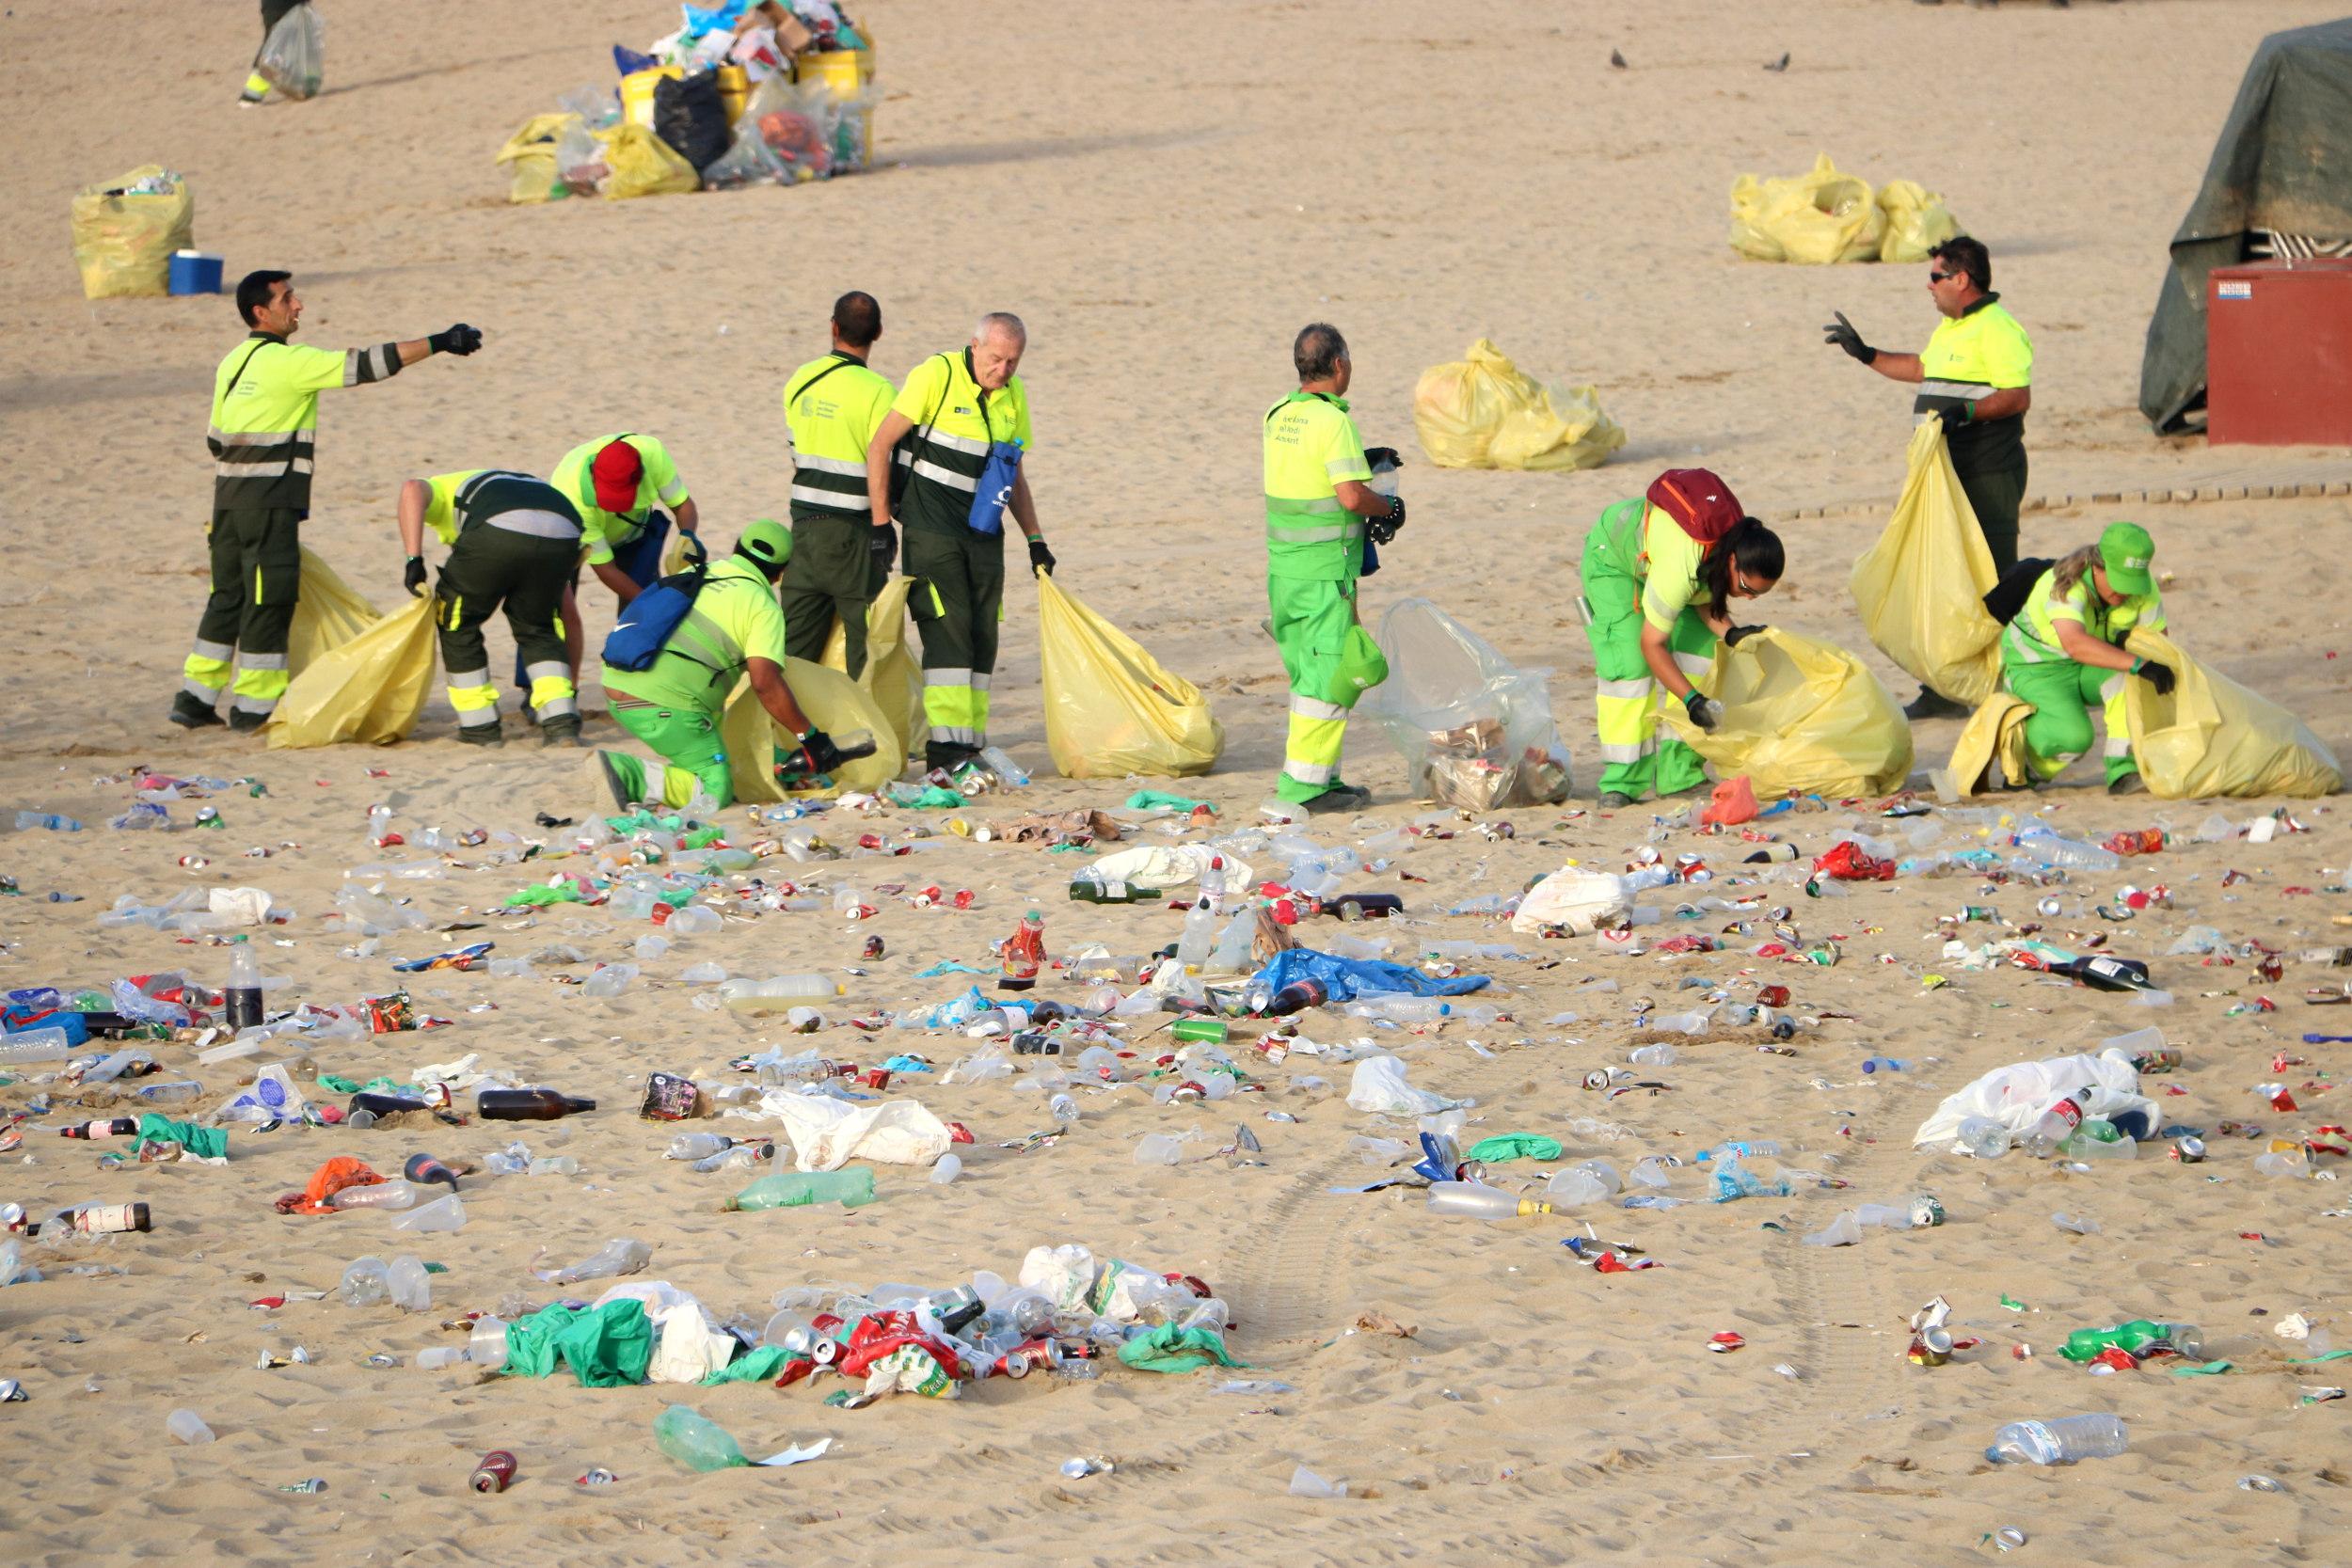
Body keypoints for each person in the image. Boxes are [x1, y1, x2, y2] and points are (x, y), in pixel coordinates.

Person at [173, 269, 479, 732]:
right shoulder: (288, 363)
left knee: (227, 595)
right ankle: (255, 707)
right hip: (268, 501)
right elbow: (367, 365)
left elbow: (215, 440)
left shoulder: (232, 361)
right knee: (267, 598)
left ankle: (195, 698)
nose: (298, 306)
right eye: (287, 299)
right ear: (262, 312)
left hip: (228, 501)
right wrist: (440, 341)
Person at [1822, 235, 2033, 719]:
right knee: (1942, 575)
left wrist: (1969, 411)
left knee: (1994, 576)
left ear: (1962, 279)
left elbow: (2016, 395)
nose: (1929, 286)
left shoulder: (1999, 329)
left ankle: (2011, 681)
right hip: (1942, 476)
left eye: (1936, 276)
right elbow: (1923, 370)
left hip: (1986, 473)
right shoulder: (1951, 329)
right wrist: (1867, 354)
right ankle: (1943, 688)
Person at [864, 311, 1053, 772]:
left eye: (1012, 362)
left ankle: (971, 743)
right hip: (931, 531)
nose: (1003, 370)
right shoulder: (937, 376)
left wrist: (1035, 539)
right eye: (995, 359)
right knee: (949, 635)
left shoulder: (1014, 394)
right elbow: (879, 445)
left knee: (983, 636)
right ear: (974, 346)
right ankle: (945, 752)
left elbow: (1014, 473)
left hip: (984, 533)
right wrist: (881, 523)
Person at [587, 519, 852, 810]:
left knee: (718, 733)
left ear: (736, 548)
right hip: (664, 706)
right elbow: (766, 683)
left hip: (617, 682)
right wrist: (810, 738)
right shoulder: (762, 607)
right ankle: (628, 773)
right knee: (715, 792)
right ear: (781, 573)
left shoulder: (698, 573)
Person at [1263, 323, 1406, 814]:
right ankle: (1304, 787)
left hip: (1285, 570)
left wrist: (1358, 464)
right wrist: (1387, 508)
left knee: (1309, 669)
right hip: (1326, 571)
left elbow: (1309, 474)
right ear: (1340, 365)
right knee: (1327, 678)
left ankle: (1325, 777)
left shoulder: (1278, 414)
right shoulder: (1334, 422)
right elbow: (1349, 495)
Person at [1580, 470, 1784, 808]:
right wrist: (1692, 701)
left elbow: (1705, 595)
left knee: (1704, 654)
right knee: (1630, 664)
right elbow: (1652, 645)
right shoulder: (1682, 568)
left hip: (1670, 564)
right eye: (1747, 589)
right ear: (1733, 562)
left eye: (1759, 596)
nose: (1749, 599)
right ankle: (1622, 781)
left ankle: (1679, 775)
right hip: (1616, 561)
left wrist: (1730, 632)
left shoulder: (1730, 543)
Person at [396, 468, 628, 747]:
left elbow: (411, 488)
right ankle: (561, 724)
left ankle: (479, 728)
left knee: (457, 621)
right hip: (564, 528)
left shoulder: (443, 489)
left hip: (499, 530)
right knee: (539, 628)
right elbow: (566, 610)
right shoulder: (515, 487)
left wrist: (414, 558)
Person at [1991, 522, 2170, 795]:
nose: (2127, 593)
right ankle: (2026, 764)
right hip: (2037, 669)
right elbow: (2075, 643)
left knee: (2131, 680)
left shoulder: (2142, 589)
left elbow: (2159, 644)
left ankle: (2123, 770)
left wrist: (2143, 654)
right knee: (2075, 738)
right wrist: (2138, 662)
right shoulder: (2063, 582)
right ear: (2098, 567)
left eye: (2133, 583)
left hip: (2088, 666)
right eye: (2121, 582)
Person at [779, 291, 896, 677]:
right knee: (866, 647)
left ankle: (789, 733)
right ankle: (867, 729)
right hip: (855, 533)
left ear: (833, 327)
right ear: (878, 332)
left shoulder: (800, 379)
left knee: (795, 650)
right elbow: (881, 465)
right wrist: (883, 529)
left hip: (804, 529)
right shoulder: (880, 391)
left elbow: (796, 451)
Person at [539, 433, 702, 705]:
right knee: (556, 612)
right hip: (566, 536)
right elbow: (606, 570)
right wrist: (654, 602)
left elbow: (684, 506)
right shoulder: (572, 494)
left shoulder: (653, 454)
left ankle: (637, 685)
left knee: (639, 616)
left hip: (633, 532)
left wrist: (687, 539)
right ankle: (558, 698)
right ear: (593, 479)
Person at [239, 1, 304, 106]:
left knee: (277, 43)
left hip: (272, 7)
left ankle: (294, 84)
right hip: (284, 8)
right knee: (276, 46)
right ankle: (251, 95)